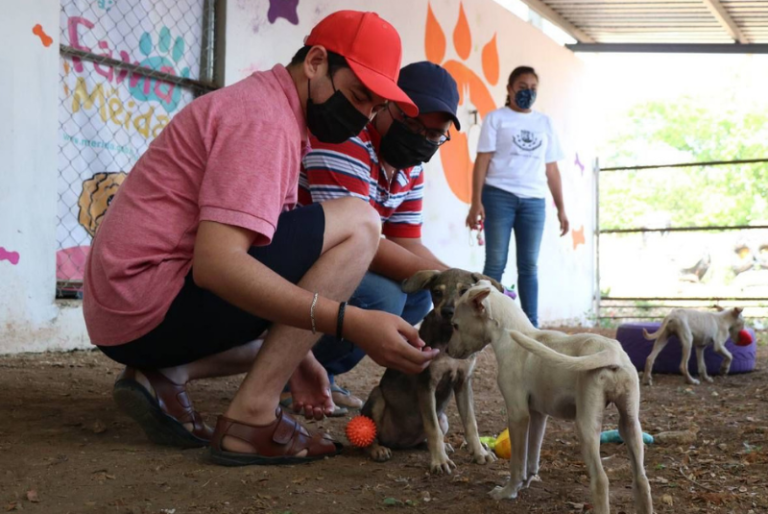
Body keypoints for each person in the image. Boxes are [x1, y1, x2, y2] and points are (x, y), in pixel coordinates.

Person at [82, 10, 438, 466]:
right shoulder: (263, 120)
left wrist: (301, 359)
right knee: (360, 222)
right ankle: (252, 417)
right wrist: (348, 321)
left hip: (128, 310)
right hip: (144, 303)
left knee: (285, 324)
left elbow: (259, 253)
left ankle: (165, 374)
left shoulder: (276, 112)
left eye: (372, 106)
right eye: (356, 96)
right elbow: (219, 264)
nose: (362, 115)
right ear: (315, 62)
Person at [294, 61, 460, 410]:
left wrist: (465, 283)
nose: (420, 138)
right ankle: (288, 371)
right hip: (295, 260)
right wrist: (451, 282)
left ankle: (321, 373)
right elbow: (354, 238)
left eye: (433, 135)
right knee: (386, 296)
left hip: (337, 259)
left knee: (418, 296)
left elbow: (405, 240)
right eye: (410, 123)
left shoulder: (408, 166)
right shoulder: (345, 141)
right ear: (386, 103)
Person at [465, 66, 568, 328]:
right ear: (510, 89)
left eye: (533, 88)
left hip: (534, 201)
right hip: (498, 195)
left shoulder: (544, 123)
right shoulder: (496, 118)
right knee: (495, 263)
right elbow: (483, 160)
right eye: (522, 87)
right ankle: (484, 322)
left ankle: (531, 325)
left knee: (529, 266)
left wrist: (561, 209)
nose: (528, 92)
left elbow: (552, 168)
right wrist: (475, 202)